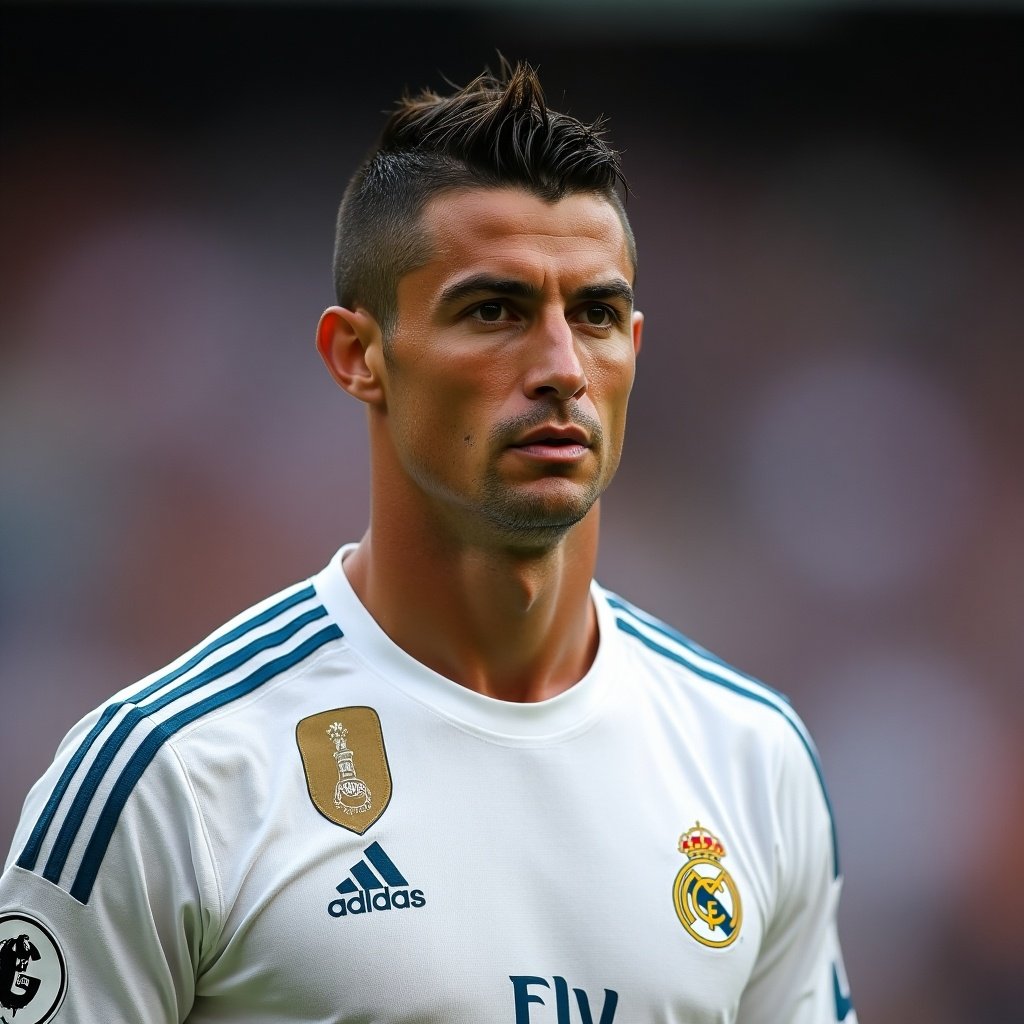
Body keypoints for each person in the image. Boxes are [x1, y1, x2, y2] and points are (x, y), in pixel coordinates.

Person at [1, 61, 856, 1023]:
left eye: (597, 315)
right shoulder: (168, 773)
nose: (561, 369)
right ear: (358, 357)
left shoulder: (752, 755)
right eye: (493, 311)